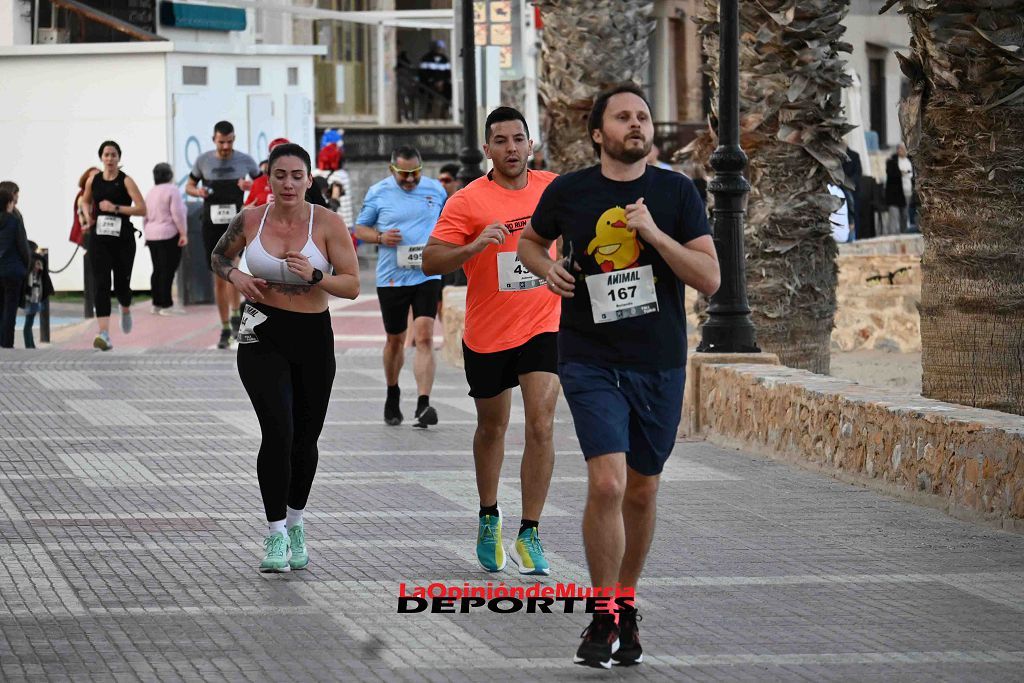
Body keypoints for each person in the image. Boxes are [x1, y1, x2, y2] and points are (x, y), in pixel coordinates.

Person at [518, 83, 720, 669]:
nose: (636, 125)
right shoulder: (571, 190)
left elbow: (708, 278)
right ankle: (602, 611)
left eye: (643, 117)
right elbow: (532, 243)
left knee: (642, 488)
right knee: (606, 483)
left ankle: (626, 602)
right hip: (589, 355)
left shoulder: (677, 192)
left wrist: (655, 234)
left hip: (657, 361)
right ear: (597, 132)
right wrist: (548, 268)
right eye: (623, 117)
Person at [423, 107, 561, 575]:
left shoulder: (551, 189)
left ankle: (530, 532)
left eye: (518, 139)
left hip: (544, 324)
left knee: (542, 424)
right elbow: (430, 261)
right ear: (487, 150)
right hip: (488, 332)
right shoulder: (466, 201)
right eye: (500, 141)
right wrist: (473, 246)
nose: (511, 148)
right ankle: (488, 516)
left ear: (530, 144)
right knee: (492, 427)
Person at [210, 142, 359, 573]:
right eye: (280, 175)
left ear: (309, 179)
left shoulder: (328, 223)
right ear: (269, 179)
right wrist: (237, 275)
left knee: (304, 440)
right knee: (277, 430)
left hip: (312, 335)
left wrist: (315, 275)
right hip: (259, 330)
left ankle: (296, 522)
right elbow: (219, 255)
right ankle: (274, 534)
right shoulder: (251, 218)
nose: (288, 183)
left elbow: (351, 285)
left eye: (297, 175)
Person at [353, 146, 446, 428]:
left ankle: (423, 404)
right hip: (392, 276)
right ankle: (392, 392)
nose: (410, 180)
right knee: (395, 339)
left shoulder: (435, 190)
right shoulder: (378, 192)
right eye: (404, 174)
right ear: (392, 169)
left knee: (425, 336)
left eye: (415, 173)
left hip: (426, 274)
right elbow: (360, 229)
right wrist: (380, 237)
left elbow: (448, 223)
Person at [186, 120, 261, 349]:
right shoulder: (203, 161)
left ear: (234, 139)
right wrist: (196, 190)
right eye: (221, 142)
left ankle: (237, 312)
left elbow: (261, 184)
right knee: (219, 276)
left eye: (229, 142)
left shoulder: (246, 161)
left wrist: (250, 187)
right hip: (212, 225)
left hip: (237, 225)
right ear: (213, 140)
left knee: (233, 268)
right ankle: (225, 326)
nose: (225, 147)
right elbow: (189, 185)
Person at [80, 141, 147, 351]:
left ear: (119, 158)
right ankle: (104, 333)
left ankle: (125, 307)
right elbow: (84, 201)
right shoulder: (94, 180)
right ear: (101, 158)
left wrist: (115, 208)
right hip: (99, 239)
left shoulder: (126, 181)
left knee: (121, 284)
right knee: (100, 284)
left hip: (123, 240)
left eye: (113, 155)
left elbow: (142, 209)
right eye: (106, 155)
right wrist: (86, 216)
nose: (110, 159)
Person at [143, 163, 188, 314]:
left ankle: (156, 304)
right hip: (168, 234)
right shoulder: (172, 190)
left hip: (151, 235)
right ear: (169, 175)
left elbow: (145, 215)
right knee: (168, 270)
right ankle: (167, 305)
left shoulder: (150, 192)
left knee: (157, 270)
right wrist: (183, 233)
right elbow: (178, 213)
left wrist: (146, 235)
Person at [0, 186, 30, 348]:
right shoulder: (14, 221)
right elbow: (23, 247)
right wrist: (27, 265)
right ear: (8, 204)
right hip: (13, 270)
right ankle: (7, 343)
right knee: (10, 310)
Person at [21, 240, 54, 348]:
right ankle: (30, 346)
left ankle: (30, 345)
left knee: (28, 322)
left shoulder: (28, 260)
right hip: (36, 295)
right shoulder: (39, 260)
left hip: (30, 295)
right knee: (29, 322)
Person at [418, 40, 452, 118]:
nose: (439, 50)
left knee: (449, 89)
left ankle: (445, 111)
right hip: (429, 83)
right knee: (428, 94)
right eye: (438, 48)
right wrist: (433, 81)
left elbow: (448, 73)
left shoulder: (444, 59)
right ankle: (428, 113)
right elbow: (423, 73)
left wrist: (442, 82)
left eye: (441, 48)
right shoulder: (426, 58)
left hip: (442, 83)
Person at [884, 142, 913, 235]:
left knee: (904, 216)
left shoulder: (909, 161)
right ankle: (892, 235)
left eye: (904, 149)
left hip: (907, 192)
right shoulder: (892, 161)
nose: (903, 150)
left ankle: (904, 234)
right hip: (895, 194)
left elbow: (911, 174)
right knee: (894, 217)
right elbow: (892, 173)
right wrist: (902, 173)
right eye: (901, 148)